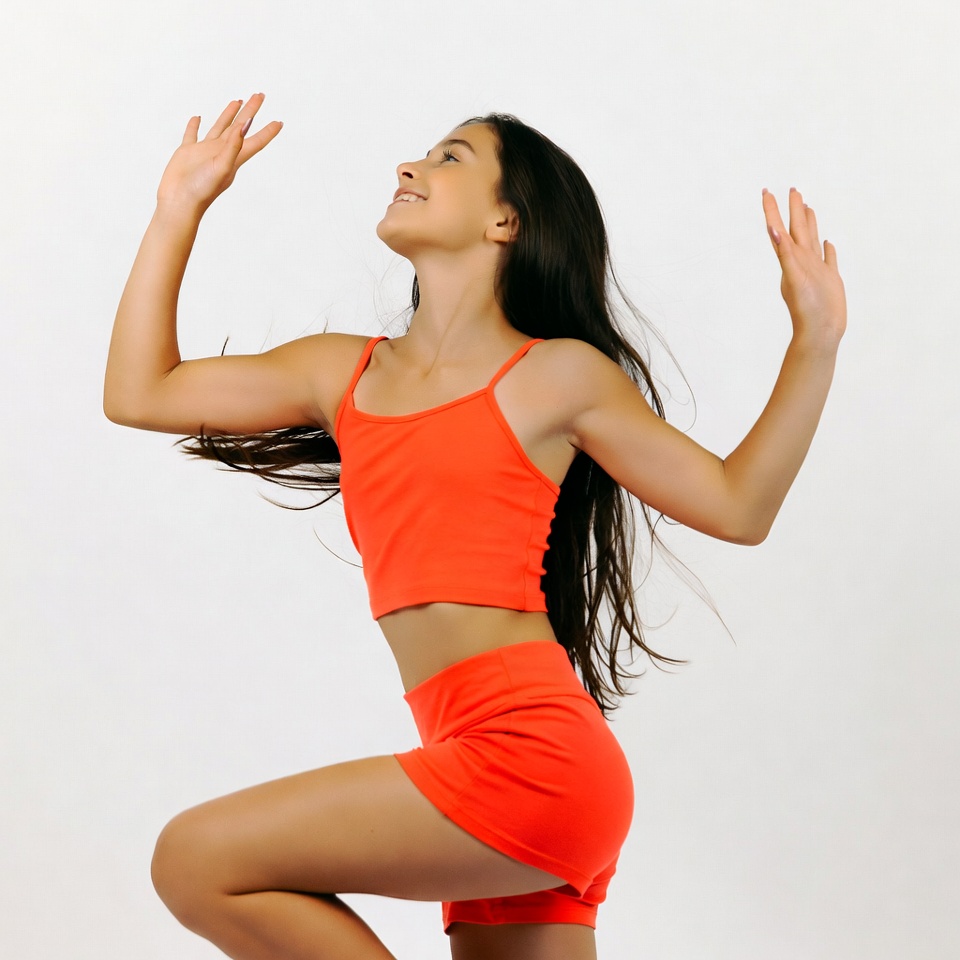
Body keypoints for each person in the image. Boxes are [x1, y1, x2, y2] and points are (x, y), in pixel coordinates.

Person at [103, 93, 846, 960]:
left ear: (507, 220)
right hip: (474, 753)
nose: (409, 167)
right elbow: (139, 393)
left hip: (533, 760)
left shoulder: (557, 378)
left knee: (196, 860)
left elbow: (737, 505)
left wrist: (816, 341)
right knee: (200, 861)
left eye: (450, 157)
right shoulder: (339, 372)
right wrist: (176, 213)